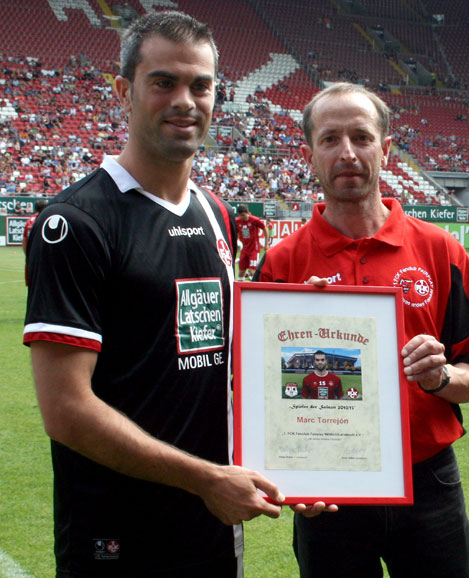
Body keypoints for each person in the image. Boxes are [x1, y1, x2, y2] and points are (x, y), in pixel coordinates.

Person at [22, 12, 289, 577]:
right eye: (163, 82)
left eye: (201, 85)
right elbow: (66, 410)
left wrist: (306, 317)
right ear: (124, 91)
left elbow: (212, 359)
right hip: (117, 535)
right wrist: (206, 479)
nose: (185, 100)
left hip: (212, 527)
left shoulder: (214, 211)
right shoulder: (76, 222)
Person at [254, 82, 469, 577]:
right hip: (327, 489)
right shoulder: (282, 263)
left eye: (362, 137)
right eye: (330, 139)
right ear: (309, 154)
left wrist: (441, 378)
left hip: (427, 481)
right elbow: (257, 394)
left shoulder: (439, 251)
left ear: (385, 150)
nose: (347, 153)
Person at [235, 203, 267, 280]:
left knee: (252, 271)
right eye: (240, 215)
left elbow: (265, 229)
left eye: (243, 215)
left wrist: (266, 244)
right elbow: (236, 232)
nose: (242, 217)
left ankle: (254, 289)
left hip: (254, 250)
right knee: (241, 271)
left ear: (247, 212)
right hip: (244, 250)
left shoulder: (254, 220)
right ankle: (239, 289)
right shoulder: (237, 221)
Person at [22, 199, 47, 286]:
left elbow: (24, 240)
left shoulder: (29, 220)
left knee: (31, 285)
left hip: (31, 257)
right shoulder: (46, 218)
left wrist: (28, 255)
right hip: (43, 258)